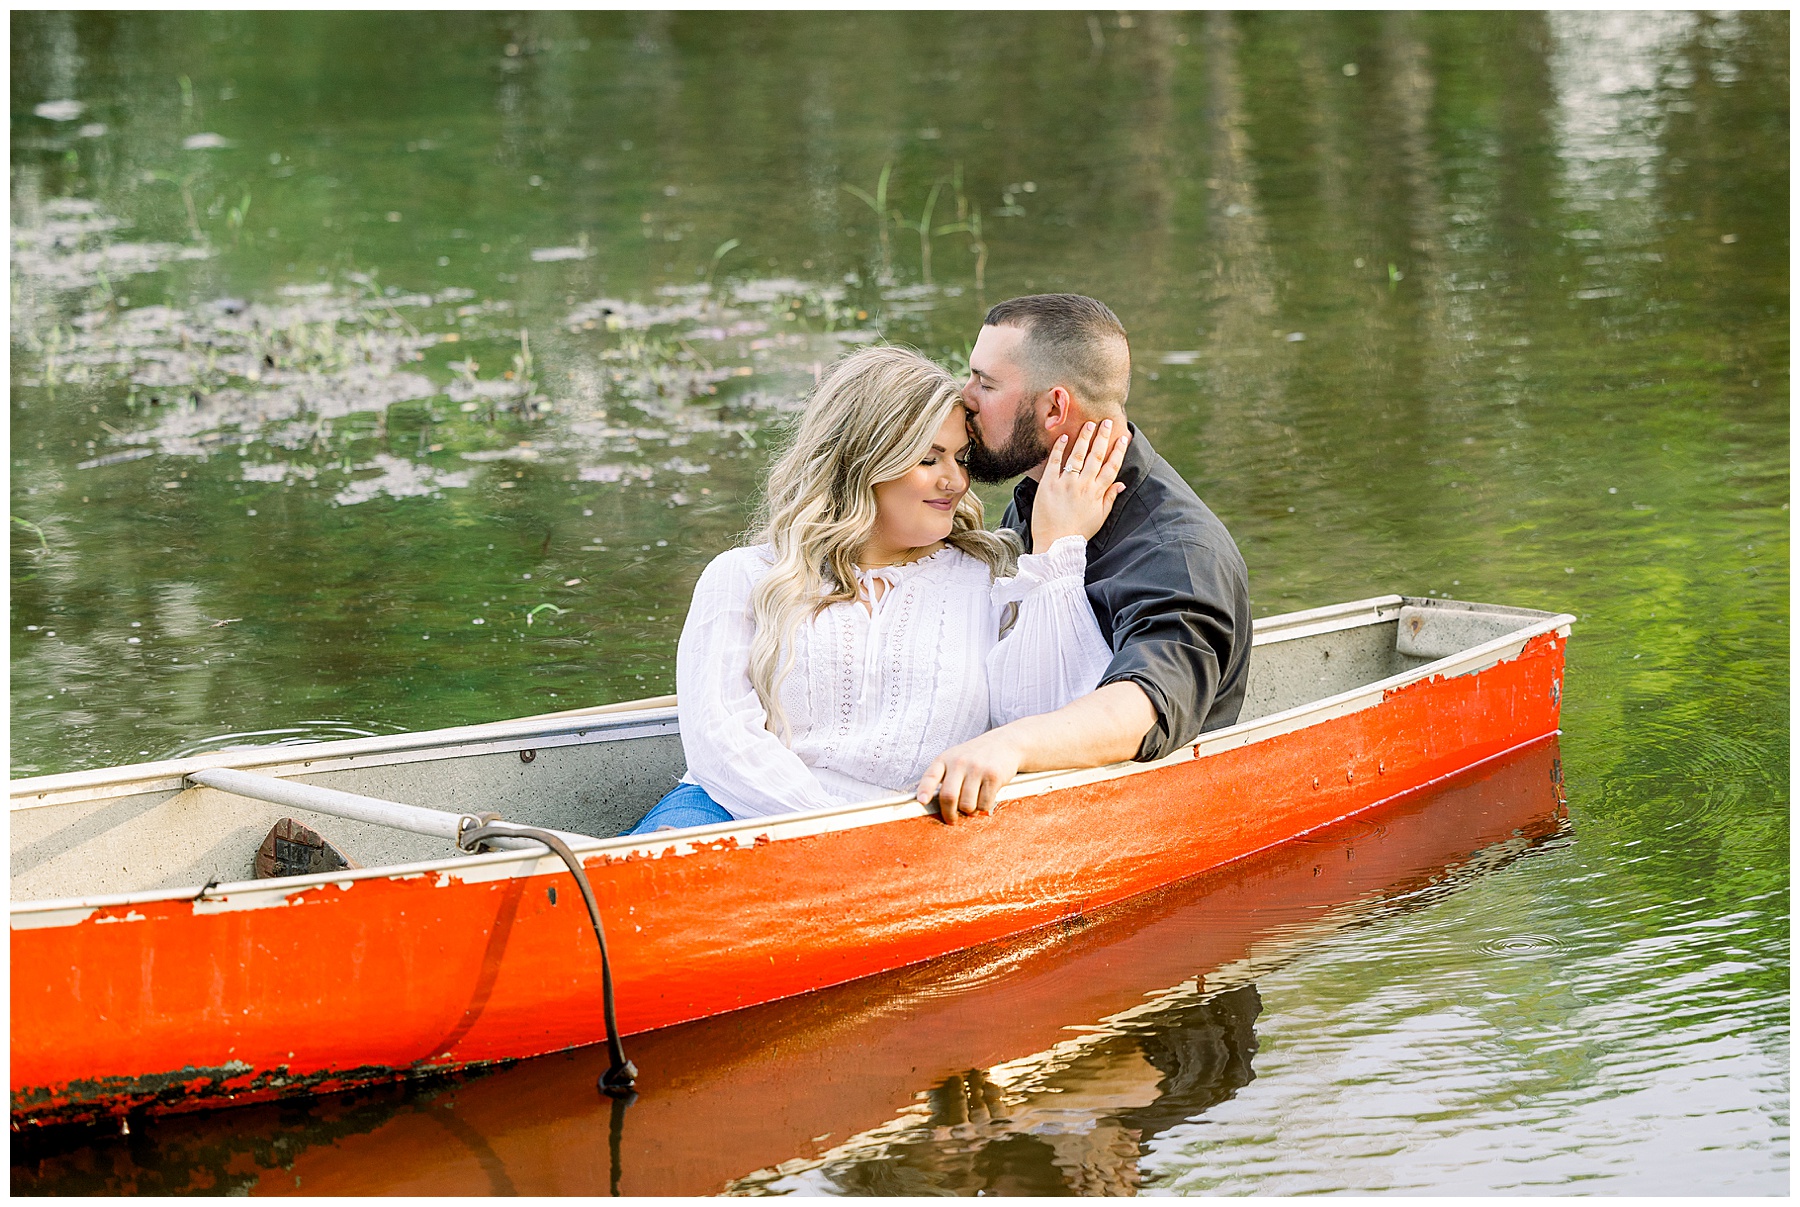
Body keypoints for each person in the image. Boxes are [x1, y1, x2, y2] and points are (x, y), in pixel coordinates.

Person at [625, 344, 1131, 834]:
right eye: (930, 459)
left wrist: (1056, 554)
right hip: (734, 813)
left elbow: (1050, 714)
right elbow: (723, 743)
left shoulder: (991, 577)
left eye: (961, 458)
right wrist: (830, 831)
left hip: (917, 831)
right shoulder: (746, 576)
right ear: (864, 463)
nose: (955, 481)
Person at [913, 293, 1251, 822]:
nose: (965, 396)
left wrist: (1010, 746)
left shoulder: (1179, 550)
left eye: (987, 382)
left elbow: (1143, 706)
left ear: (1054, 408)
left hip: (1139, 820)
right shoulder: (1039, 494)